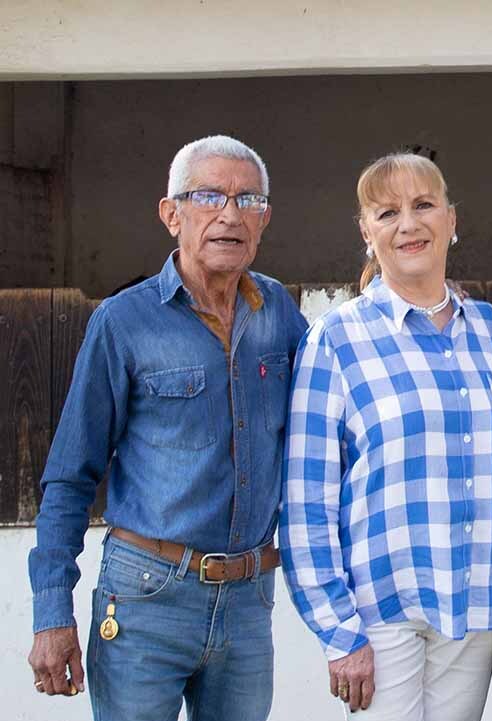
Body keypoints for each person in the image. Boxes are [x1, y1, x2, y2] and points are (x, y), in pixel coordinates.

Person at [26, 134, 308, 721]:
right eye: (209, 196)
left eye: (248, 200)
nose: (230, 214)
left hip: (249, 600)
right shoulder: (123, 322)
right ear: (171, 214)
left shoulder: (280, 315)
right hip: (146, 597)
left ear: (266, 220)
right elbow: (70, 476)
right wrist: (52, 611)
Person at [280, 152, 492, 720]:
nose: (408, 224)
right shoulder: (336, 339)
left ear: (452, 220)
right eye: (387, 213)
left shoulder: (490, 330)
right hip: (380, 615)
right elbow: (305, 499)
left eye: (423, 205)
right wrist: (339, 631)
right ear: (367, 233)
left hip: (472, 605)